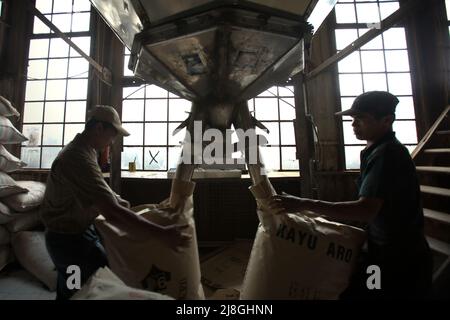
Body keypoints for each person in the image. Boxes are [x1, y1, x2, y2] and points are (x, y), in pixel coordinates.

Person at [269, 91, 433, 299]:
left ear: (387, 120)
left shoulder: (388, 155)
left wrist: (303, 204)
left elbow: (365, 210)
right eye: (352, 119)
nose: (354, 124)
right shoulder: (375, 150)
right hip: (381, 251)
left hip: (399, 261)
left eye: (361, 119)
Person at [40, 105, 191, 300]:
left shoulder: (87, 151)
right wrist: (161, 233)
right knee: (86, 287)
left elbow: (99, 190)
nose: (112, 141)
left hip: (80, 232)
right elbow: (111, 211)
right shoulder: (77, 157)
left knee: (74, 287)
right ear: (99, 129)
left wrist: (123, 202)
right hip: (68, 242)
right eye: (112, 135)